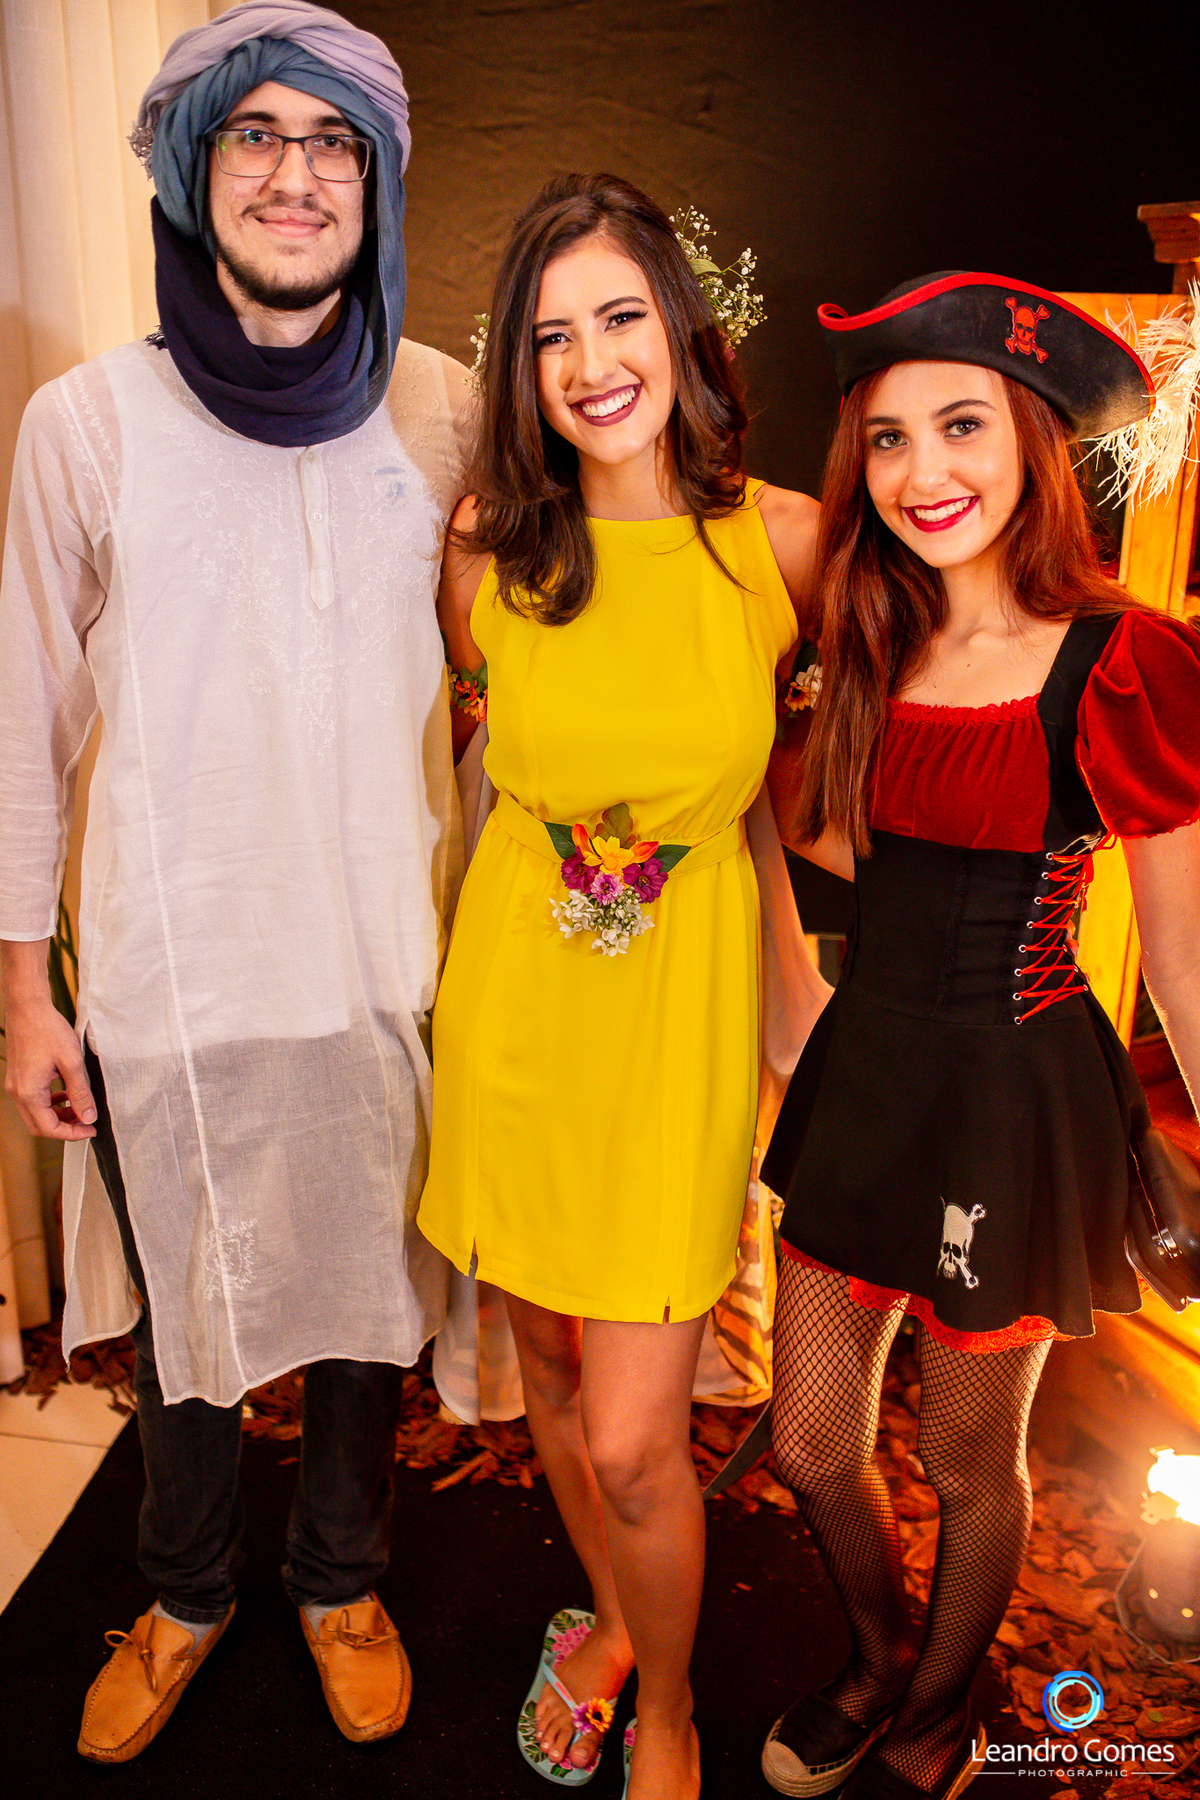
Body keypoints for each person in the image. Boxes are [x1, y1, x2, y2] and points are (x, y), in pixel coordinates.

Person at [0, 0, 471, 1764]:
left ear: (379, 180)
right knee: (189, 1323)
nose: (295, 173)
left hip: (386, 964)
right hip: (172, 972)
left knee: (365, 1316)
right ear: (196, 173)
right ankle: (186, 1589)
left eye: (333, 140)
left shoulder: (447, 409)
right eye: (257, 134)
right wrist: (25, 990)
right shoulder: (86, 422)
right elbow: (23, 713)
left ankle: (340, 1579)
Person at [759, 273, 1200, 1800]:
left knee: (963, 1461)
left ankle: (939, 1709)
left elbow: (1184, 964)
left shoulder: (1119, 661)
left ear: (1032, 443)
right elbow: (835, 839)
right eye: (887, 438)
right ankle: (877, 1653)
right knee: (811, 1440)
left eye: (961, 427)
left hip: (1011, 1103)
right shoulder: (871, 634)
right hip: (868, 1076)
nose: (922, 471)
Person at [416, 173, 829, 1799]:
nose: (590, 365)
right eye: (549, 338)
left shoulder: (781, 541)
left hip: (676, 1019)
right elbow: (481, 756)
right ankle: (610, 1625)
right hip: (518, 1002)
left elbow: (799, 797)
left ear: (680, 326)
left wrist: (798, 977)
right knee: (554, 1379)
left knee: (639, 1438)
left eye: (618, 318)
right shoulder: (485, 551)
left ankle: (668, 1714)